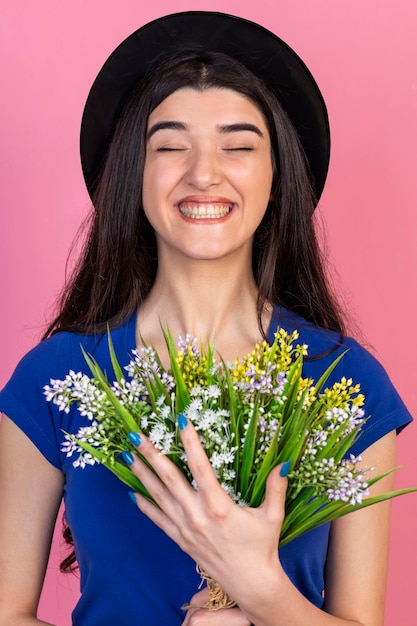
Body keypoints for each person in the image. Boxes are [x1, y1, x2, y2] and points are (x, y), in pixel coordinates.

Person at [0, 11, 412, 626]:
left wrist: (260, 588)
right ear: (132, 176)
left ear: (278, 176)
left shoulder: (345, 383)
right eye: (169, 146)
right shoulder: (56, 377)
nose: (203, 173)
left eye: (238, 146)